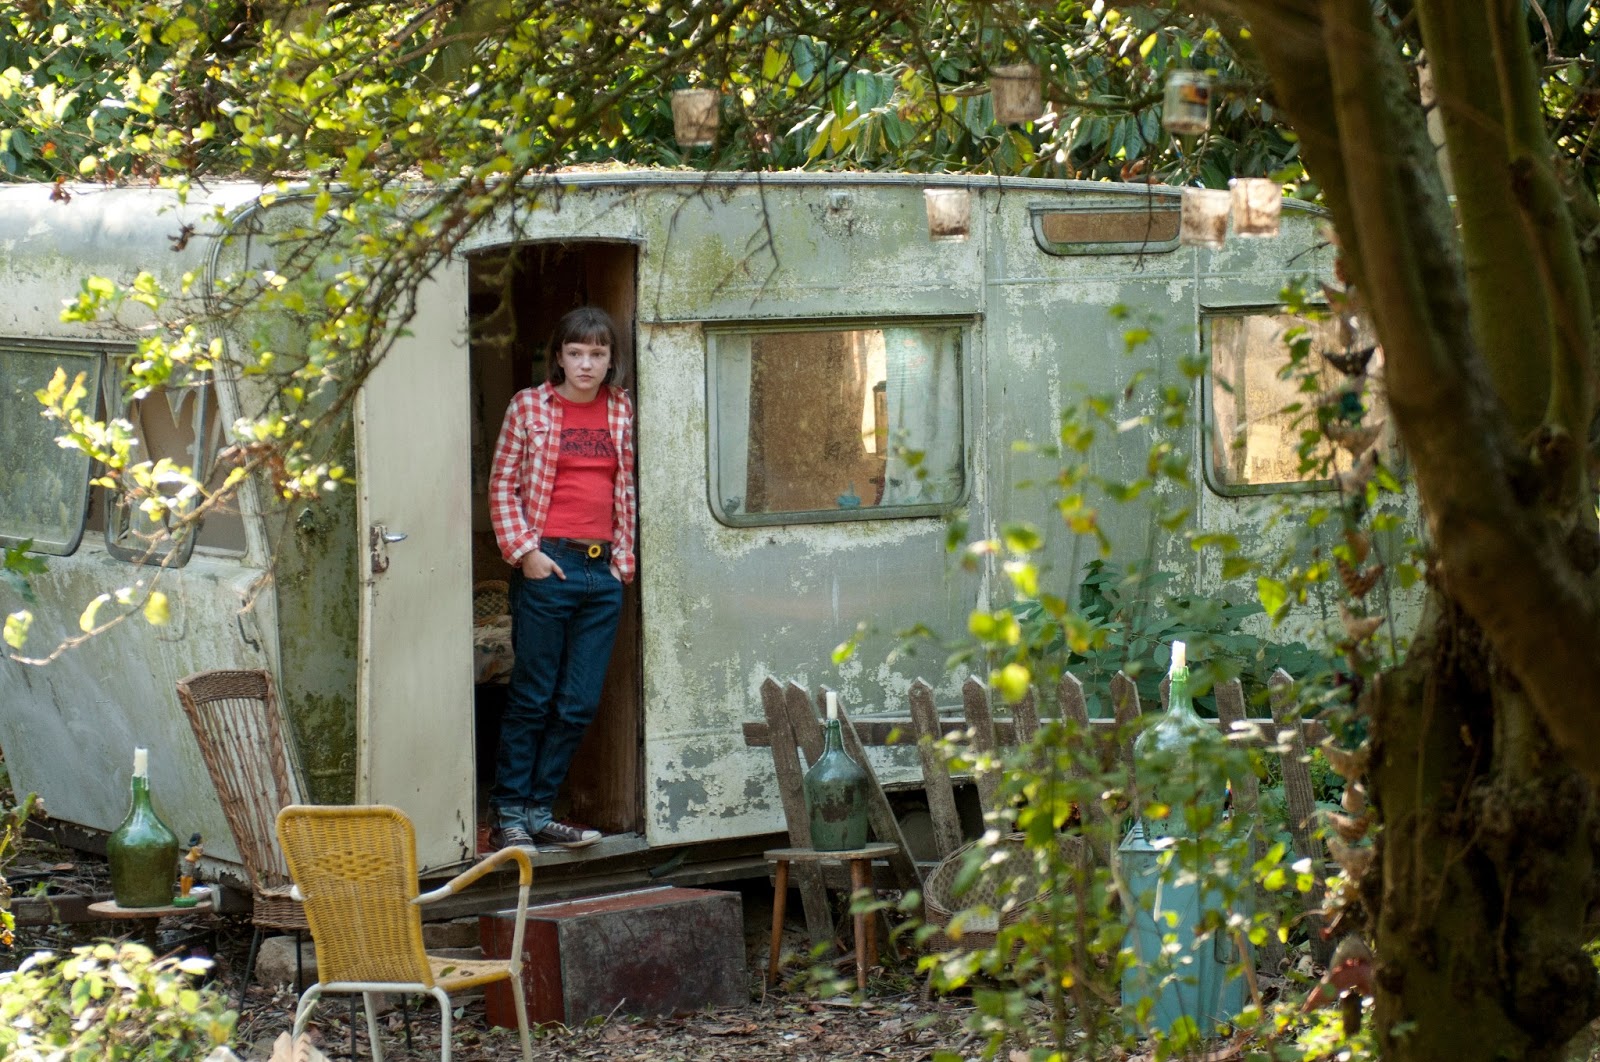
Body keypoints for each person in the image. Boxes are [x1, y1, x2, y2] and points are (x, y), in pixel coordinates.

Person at [487, 306, 636, 849]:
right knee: (533, 696)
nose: (586, 364)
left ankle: (538, 811)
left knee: (578, 703)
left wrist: (621, 561)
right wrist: (526, 553)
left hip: (602, 571)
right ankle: (508, 815)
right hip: (548, 563)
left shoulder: (620, 409)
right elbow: (502, 485)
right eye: (576, 353)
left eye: (597, 353)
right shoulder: (529, 406)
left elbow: (628, 487)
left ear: (611, 359)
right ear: (559, 357)